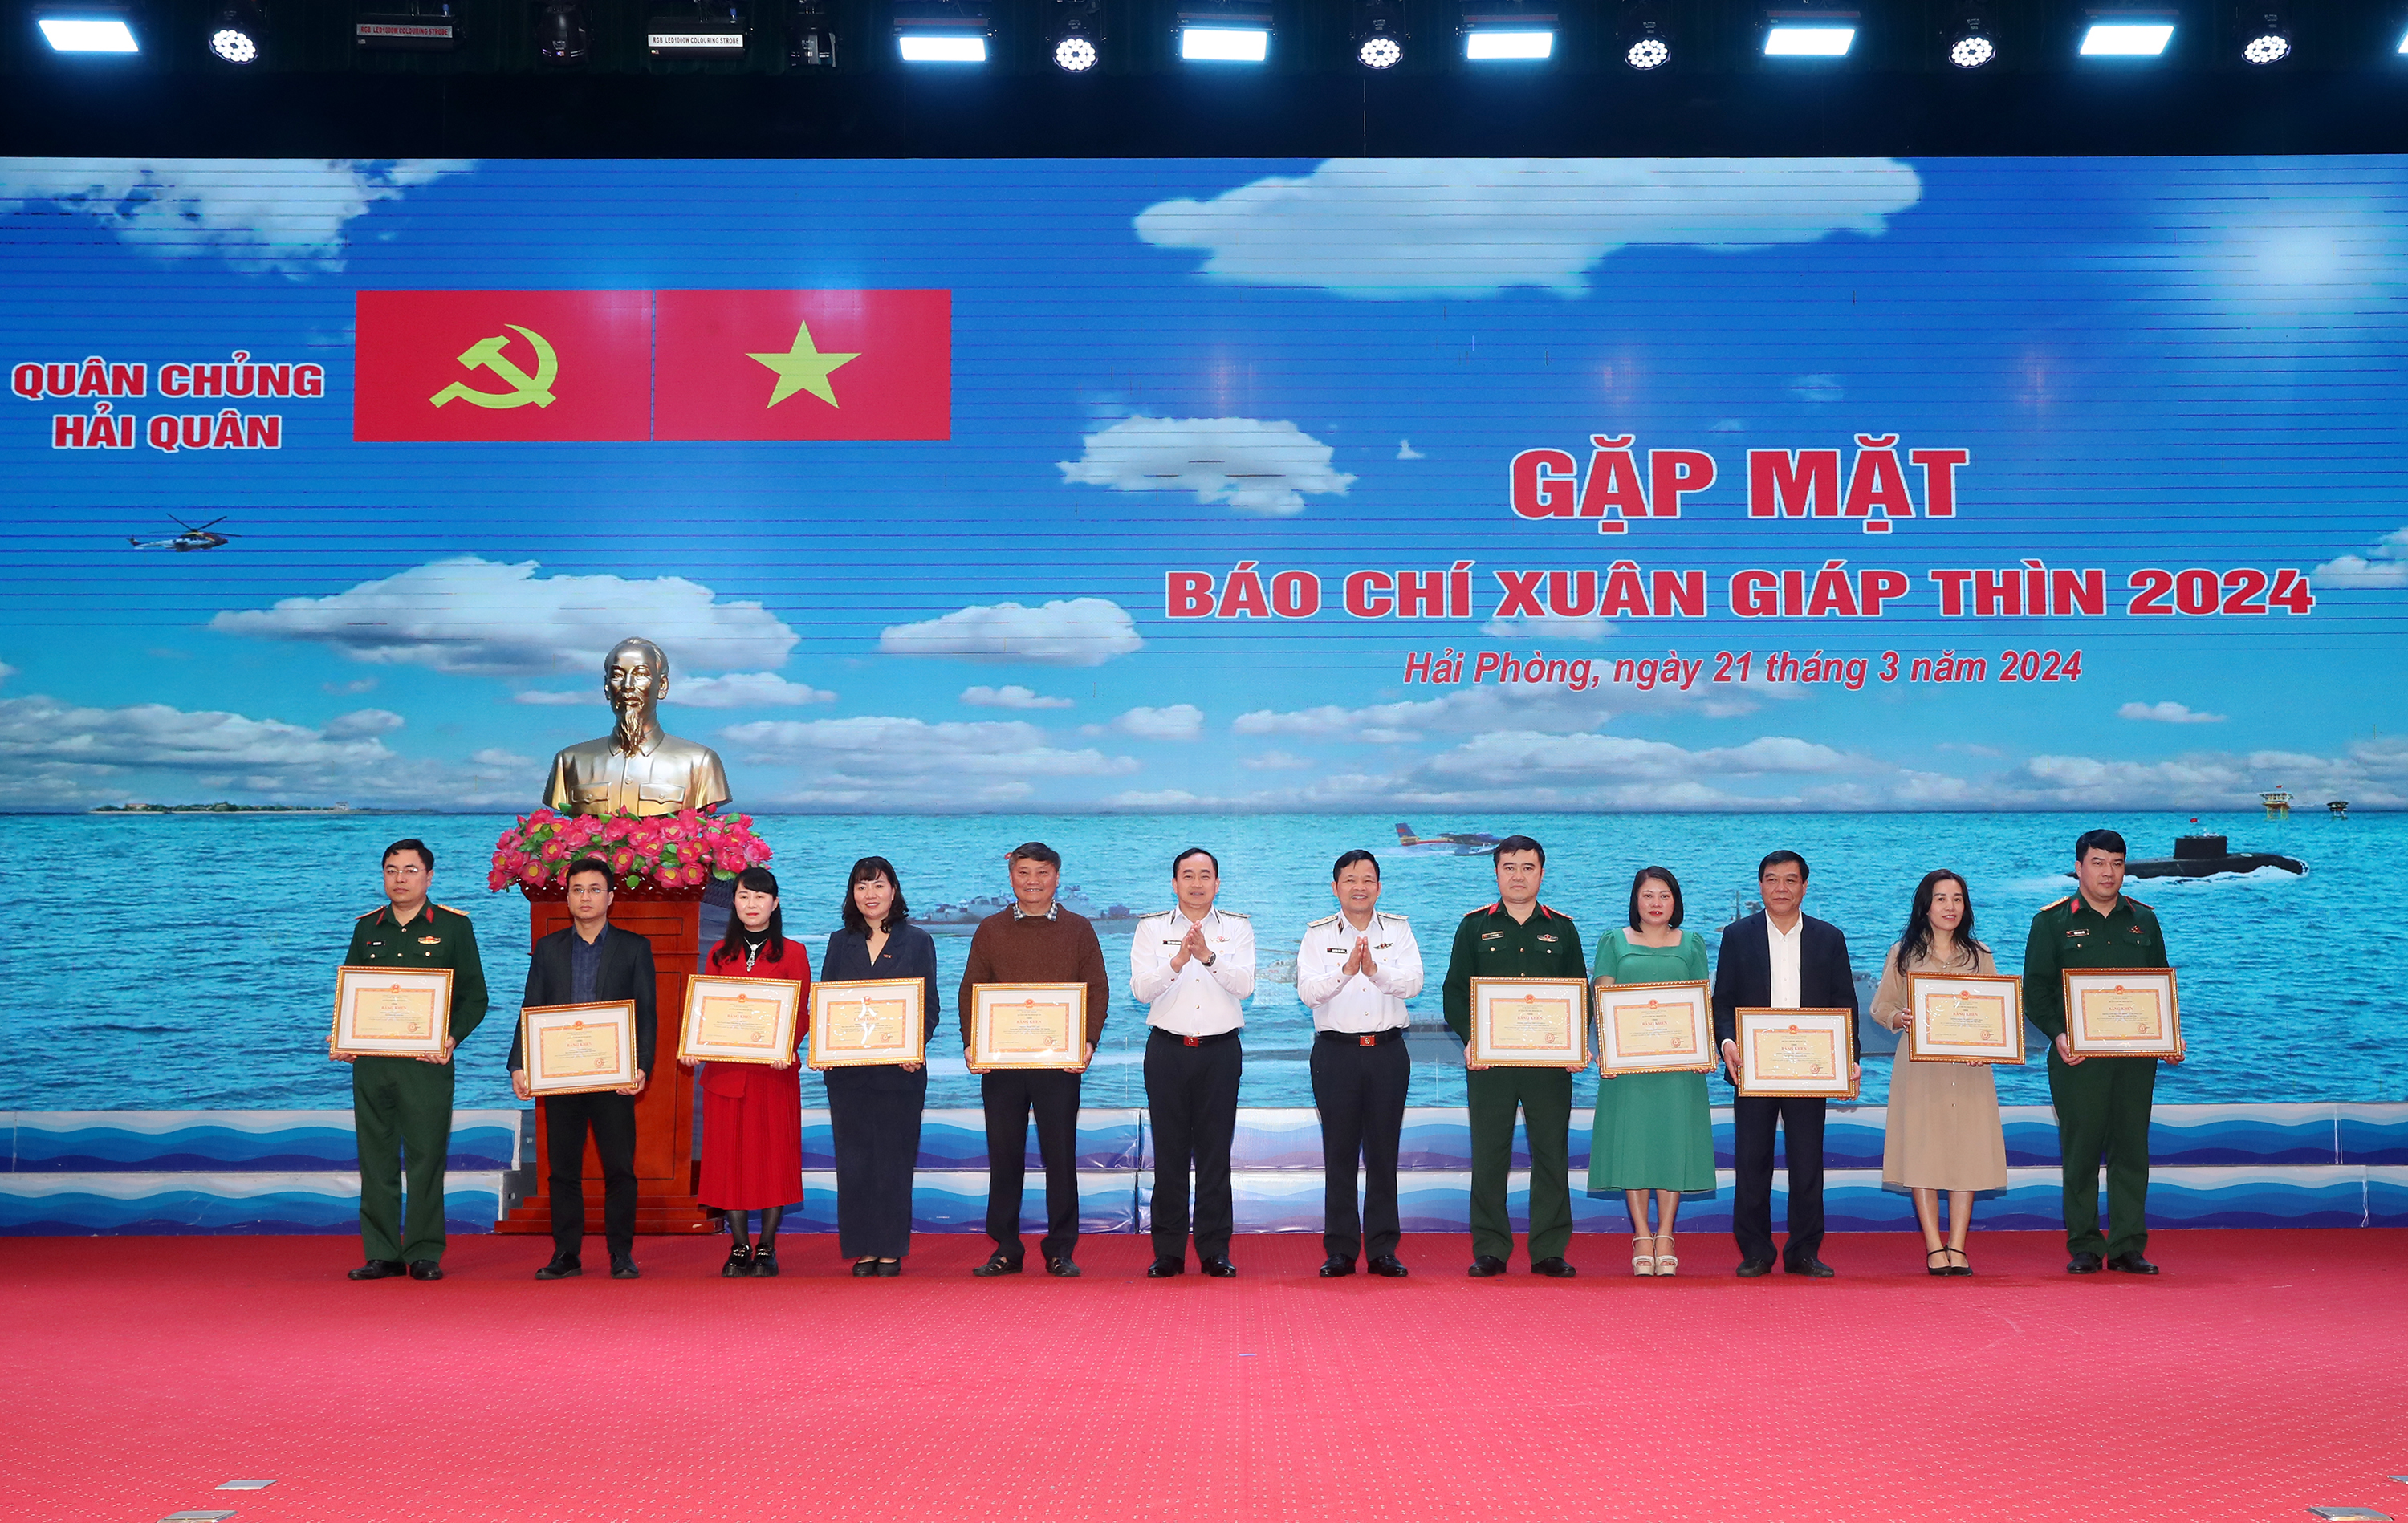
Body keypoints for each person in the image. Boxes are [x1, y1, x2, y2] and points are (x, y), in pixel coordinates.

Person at [2022, 829, 2174, 1276]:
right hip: (2077, 1058)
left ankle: (2128, 1246)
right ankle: (2085, 1245)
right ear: (2079, 867)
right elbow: (2036, 993)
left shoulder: (2144, 920)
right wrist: (2057, 1034)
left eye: (2117, 864)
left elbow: (2159, 984)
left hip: (2135, 1059)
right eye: (2098, 862)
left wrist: (2169, 1036)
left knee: (2132, 1150)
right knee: (2082, 1151)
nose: (2109, 872)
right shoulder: (2051, 922)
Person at [338, 839, 490, 1282]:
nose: (399, 879)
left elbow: (475, 996)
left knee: (426, 1158)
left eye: (409, 870)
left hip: (427, 1063)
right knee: (376, 1158)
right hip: (373, 1064)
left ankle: (424, 1251)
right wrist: (343, 1035)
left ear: (429, 876)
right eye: (391, 871)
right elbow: (351, 991)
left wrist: (451, 1038)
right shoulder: (367, 928)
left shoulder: (454, 927)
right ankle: (382, 1253)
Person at [959, 842, 1112, 1279]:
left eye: (1042, 873)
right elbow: (971, 988)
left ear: (1056, 878)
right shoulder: (990, 929)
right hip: (1002, 1064)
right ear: (1011, 878)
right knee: (1004, 1157)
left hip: (1059, 1064)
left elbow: (1097, 988)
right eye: (1024, 872)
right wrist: (972, 1043)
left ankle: (1060, 1249)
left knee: (1060, 1158)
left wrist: (1088, 1042)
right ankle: (1006, 1248)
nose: (1033, 881)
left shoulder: (1079, 928)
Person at [1442, 835, 1586, 1279]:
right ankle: (1490, 1249)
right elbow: (1454, 993)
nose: (1518, 876)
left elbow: (1580, 994)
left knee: (1551, 1156)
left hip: (1549, 1065)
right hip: (1491, 1064)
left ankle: (1549, 1250)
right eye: (1509, 867)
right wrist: (1471, 1040)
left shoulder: (1563, 929)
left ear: (1541, 873)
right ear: (1496, 873)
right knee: (1490, 1156)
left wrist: (1576, 1042)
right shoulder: (1473, 927)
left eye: (1527, 867)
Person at [1713, 850, 1860, 1280]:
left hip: (1809, 1068)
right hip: (1752, 1067)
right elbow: (1723, 1001)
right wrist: (1727, 1042)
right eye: (1773, 879)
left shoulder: (1829, 938)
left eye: (1791, 880)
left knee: (1808, 1161)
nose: (1781, 888)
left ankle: (1804, 1252)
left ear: (1805, 887)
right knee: (1752, 1160)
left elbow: (1845, 1003)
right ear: (1761, 886)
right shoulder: (1737, 936)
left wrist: (1849, 1059)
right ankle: (1756, 1252)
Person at [510, 856, 657, 1281]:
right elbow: (531, 1006)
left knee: (620, 1169)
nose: (586, 897)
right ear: (568, 897)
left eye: (595, 889)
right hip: (561, 1075)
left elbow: (647, 1014)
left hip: (614, 1075)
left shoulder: (634, 947)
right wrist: (520, 1063)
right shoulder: (549, 948)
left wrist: (641, 1065)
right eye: (578, 890)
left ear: (610, 897)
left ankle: (621, 1254)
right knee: (563, 1170)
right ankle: (566, 1254)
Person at [1873, 870, 2008, 1277]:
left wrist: (1987, 1047)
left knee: (1967, 1152)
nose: (1951, 907)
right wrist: (1900, 1018)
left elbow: (1996, 1014)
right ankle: (1934, 1245)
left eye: (1958, 899)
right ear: (1926, 906)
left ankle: (1959, 1246)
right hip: (1920, 1069)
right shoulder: (1903, 954)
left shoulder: (1980, 955)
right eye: (1941, 899)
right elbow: (1881, 1007)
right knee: (1923, 1151)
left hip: (1970, 1069)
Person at [1296, 848, 1423, 1279]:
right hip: (1336, 1054)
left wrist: (1375, 970)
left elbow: (1414, 983)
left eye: (1367, 879)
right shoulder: (1317, 935)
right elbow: (1308, 993)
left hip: (1387, 1052)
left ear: (1379, 887)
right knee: (1340, 1153)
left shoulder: (1398, 930)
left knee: (1384, 1153)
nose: (1359, 887)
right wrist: (1347, 970)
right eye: (1350, 879)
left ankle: (1384, 1249)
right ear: (1335, 888)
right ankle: (1341, 1250)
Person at [1131, 847, 1256, 1278]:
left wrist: (1208, 956)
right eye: (1188, 875)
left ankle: (1214, 1250)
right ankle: (1167, 1251)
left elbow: (1245, 985)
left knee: (1214, 1154)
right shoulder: (1151, 928)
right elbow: (1141, 990)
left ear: (1217, 883)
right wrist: (1178, 961)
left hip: (1220, 1052)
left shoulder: (1237, 928)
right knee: (1169, 1153)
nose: (1196, 883)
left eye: (1205, 875)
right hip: (1167, 1051)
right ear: (1174, 883)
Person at [685, 866, 811, 1278]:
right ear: (734, 902)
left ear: (775, 904)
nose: (751, 904)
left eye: (760, 897)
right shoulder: (719, 954)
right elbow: (707, 1011)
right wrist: (694, 1045)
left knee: (773, 1159)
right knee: (728, 1161)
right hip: (725, 1074)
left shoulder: (794, 952)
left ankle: (767, 1247)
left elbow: (800, 1012)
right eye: (743, 896)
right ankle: (739, 1246)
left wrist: (786, 1047)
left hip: (773, 1075)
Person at [1588, 866, 1713, 1279]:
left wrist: (1704, 1048)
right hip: (1629, 1067)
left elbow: (1702, 1004)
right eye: (1648, 895)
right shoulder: (1614, 941)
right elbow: (1602, 1000)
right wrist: (1607, 1051)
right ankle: (1642, 1235)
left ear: (1675, 901)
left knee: (1673, 1144)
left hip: (1678, 1066)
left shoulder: (1692, 943)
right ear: (1635, 900)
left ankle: (1666, 1235)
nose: (1656, 903)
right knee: (1634, 1145)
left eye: (1664, 895)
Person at [820, 856, 939, 1277]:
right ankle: (863, 1247)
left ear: (893, 891)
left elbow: (929, 1007)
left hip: (899, 1072)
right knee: (853, 1162)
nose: (870, 894)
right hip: (848, 1072)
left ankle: (889, 1248)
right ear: (852, 894)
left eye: (878, 885)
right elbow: (827, 1005)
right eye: (861, 886)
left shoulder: (918, 940)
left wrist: (914, 1047)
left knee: (893, 1161)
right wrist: (826, 1048)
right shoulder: (839, 942)